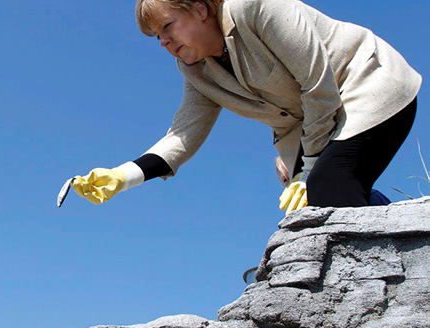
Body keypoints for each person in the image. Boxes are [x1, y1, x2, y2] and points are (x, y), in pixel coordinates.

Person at [64, 0, 420, 214]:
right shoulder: (195, 68)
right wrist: (122, 176)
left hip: (368, 87)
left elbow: (318, 86)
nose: (163, 42)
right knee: (305, 215)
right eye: (156, 36)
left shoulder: (256, 7)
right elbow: (183, 135)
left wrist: (309, 171)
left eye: (168, 26)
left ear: (200, 9)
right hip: (317, 128)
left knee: (326, 190)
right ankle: (388, 224)